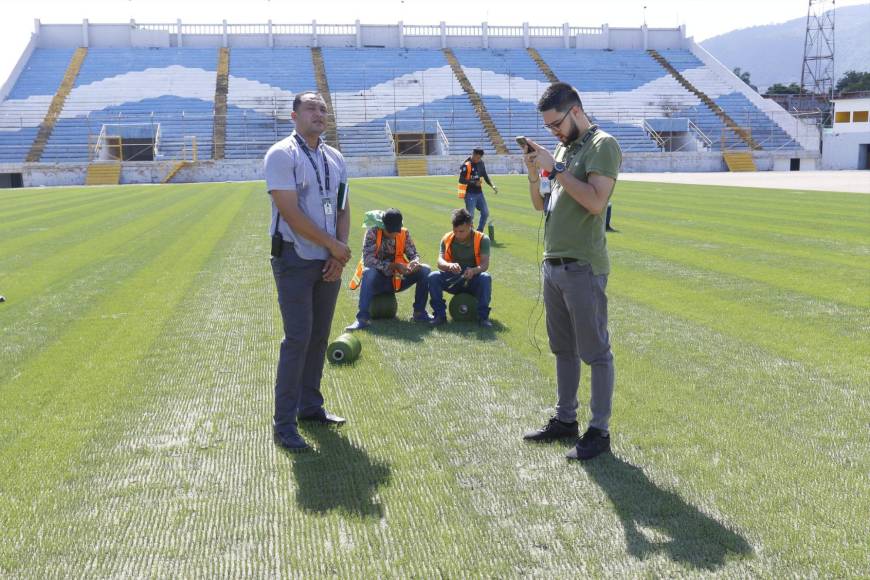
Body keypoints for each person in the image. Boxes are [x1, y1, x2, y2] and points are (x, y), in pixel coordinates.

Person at [520, 82, 622, 461]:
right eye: (548, 128)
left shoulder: (602, 145)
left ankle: (599, 430)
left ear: (576, 111)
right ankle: (566, 420)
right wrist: (535, 172)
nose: (554, 133)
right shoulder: (565, 148)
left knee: (596, 352)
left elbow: (596, 202)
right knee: (563, 348)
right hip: (554, 263)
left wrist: (556, 166)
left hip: (583, 265)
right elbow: (540, 205)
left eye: (556, 124)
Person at [264, 91, 352, 452]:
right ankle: (283, 424)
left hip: (328, 259)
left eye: (323, 109)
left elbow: (344, 206)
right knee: (297, 338)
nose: (319, 113)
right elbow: (290, 212)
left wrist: (339, 251)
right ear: (294, 115)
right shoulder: (282, 155)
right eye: (312, 108)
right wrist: (333, 246)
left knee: (318, 337)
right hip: (295, 258)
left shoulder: (335, 157)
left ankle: (311, 407)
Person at [345, 208, 433, 331]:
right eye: (390, 231)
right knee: (369, 272)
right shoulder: (372, 233)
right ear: (383, 225)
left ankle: (419, 313)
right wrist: (394, 266)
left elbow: (414, 254)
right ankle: (362, 319)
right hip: (378, 280)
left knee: (425, 270)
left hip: (398, 279)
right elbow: (368, 260)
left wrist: (414, 262)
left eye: (396, 231)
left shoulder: (403, 233)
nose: (393, 234)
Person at [428, 208, 493, 328]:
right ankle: (439, 315)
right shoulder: (447, 238)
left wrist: (474, 270)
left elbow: (485, 265)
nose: (457, 234)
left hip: (473, 280)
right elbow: (439, 261)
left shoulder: (483, 239)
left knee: (485, 277)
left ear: (471, 225)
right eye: (455, 230)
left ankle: (483, 317)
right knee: (433, 277)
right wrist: (449, 265)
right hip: (454, 279)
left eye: (461, 231)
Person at [457, 148, 498, 232]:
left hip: (479, 193)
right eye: (477, 157)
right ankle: (470, 233)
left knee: (485, 213)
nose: (478, 159)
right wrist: (473, 183)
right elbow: (461, 180)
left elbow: (485, 176)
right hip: (469, 194)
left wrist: (492, 185)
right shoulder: (466, 165)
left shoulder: (481, 163)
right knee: (470, 215)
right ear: (473, 154)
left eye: (479, 158)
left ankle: (479, 231)